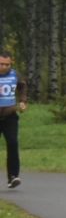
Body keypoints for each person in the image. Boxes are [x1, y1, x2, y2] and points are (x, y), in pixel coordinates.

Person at [0, 50, 22, 188]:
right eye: (1, 64)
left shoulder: (15, 74)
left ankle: (13, 176)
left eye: (7, 64)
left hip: (10, 116)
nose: (4, 67)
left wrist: (23, 101)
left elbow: (23, 87)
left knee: (13, 144)